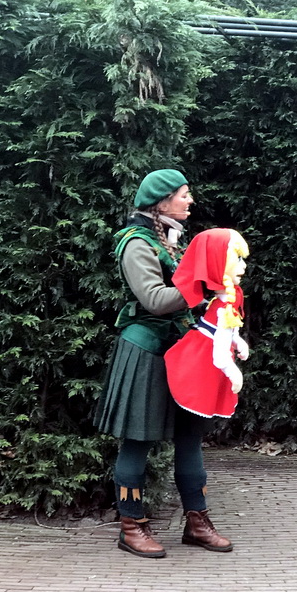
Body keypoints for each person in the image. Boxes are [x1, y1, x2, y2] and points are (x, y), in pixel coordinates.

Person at [94, 169, 233, 558]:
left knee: (190, 438)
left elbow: (190, 296)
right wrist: (205, 287)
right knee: (137, 441)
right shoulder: (136, 243)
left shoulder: (171, 240)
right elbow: (155, 300)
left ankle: (197, 522)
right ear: (161, 200)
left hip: (183, 352)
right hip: (145, 352)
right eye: (183, 195)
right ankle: (131, 526)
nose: (190, 201)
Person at [164, 228, 250, 420]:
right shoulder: (223, 306)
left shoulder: (228, 299)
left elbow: (226, 332)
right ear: (218, 263)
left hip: (202, 357)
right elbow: (219, 353)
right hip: (200, 364)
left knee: (193, 431)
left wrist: (237, 342)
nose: (243, 266)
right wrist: (233, 372)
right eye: (237, 259)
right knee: (193, 427)